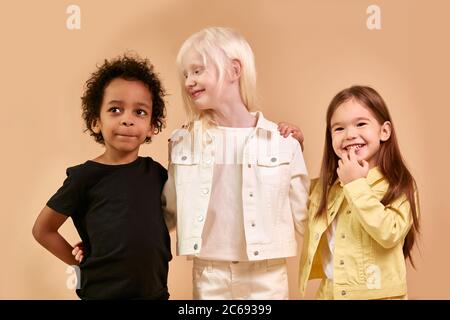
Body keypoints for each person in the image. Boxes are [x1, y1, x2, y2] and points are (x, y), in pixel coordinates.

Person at [162, 26, 310, 300]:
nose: (188, 82)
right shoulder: (183, 142)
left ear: (234, 70)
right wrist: (107, 239)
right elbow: (167, 213)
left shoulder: (283, 142)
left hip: (266, 274)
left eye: (197, 71)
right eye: (185, 74)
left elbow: (309, 217)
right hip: (208, 273)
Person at [32, 54, 172, 300]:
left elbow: (158, 222)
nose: (127, 119)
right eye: (115, 110)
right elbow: (43, 229)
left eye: (140, 112)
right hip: (102, 293)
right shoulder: (84, 177)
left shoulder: (157, 173)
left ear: (152, 126)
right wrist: (80, 264)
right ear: (96, 121)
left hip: (155, 293)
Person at [298, 85, 420, 299]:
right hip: (330, 293)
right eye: (338, 128)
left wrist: (356, 184)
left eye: (361, 124)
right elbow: (291, 201)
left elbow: (389, 232)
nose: (350, 134)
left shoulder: (398, 184)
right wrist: (291, 150)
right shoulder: (325, 188)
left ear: (384, 131)